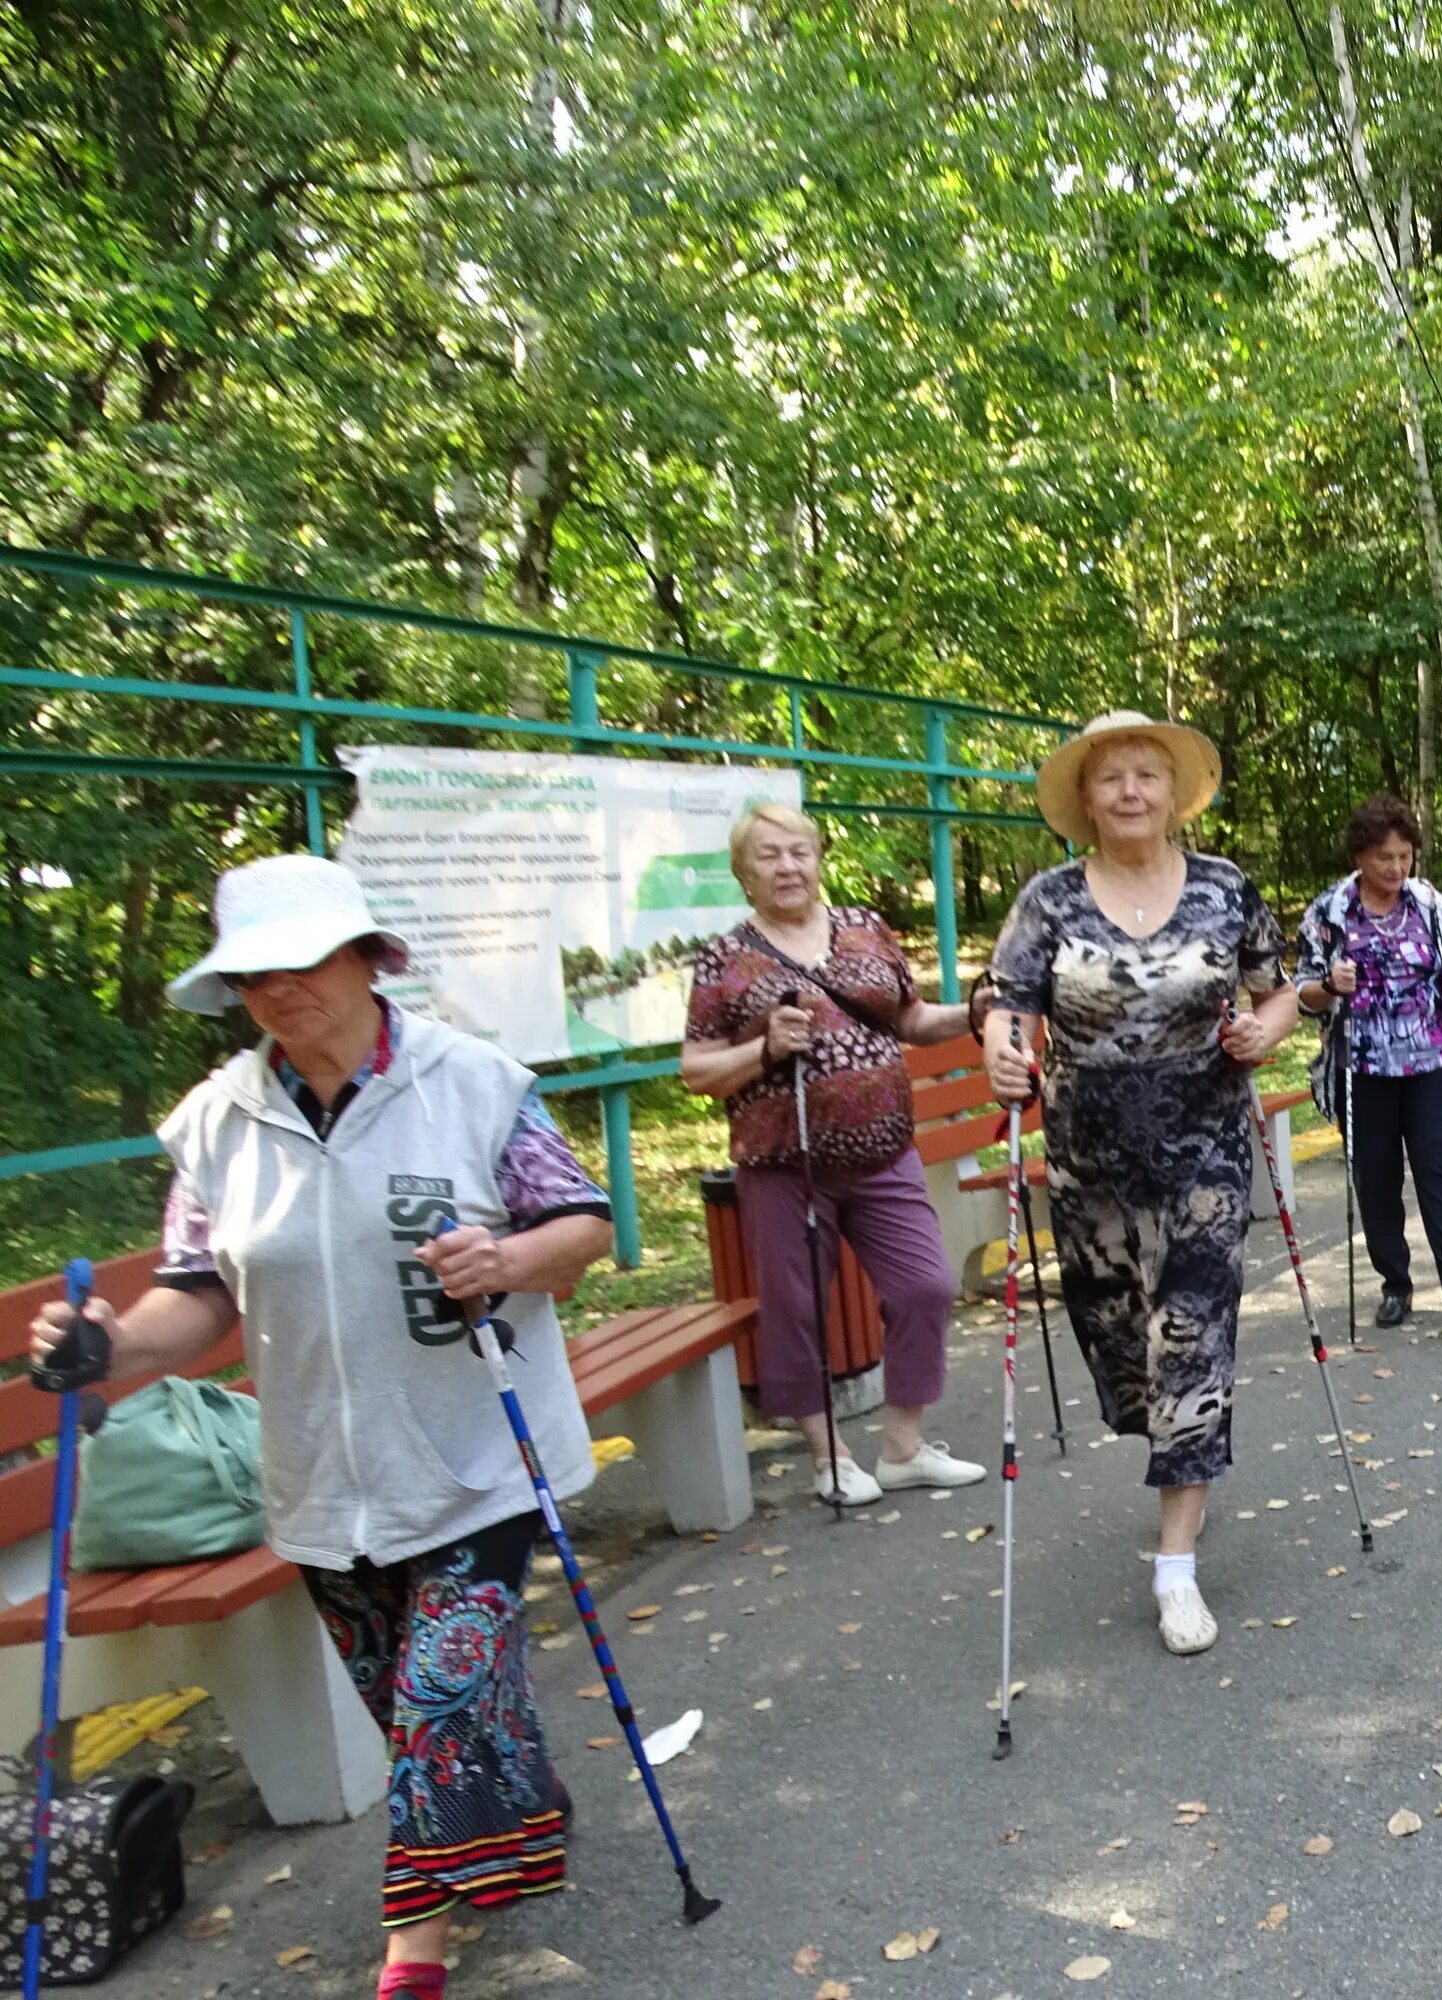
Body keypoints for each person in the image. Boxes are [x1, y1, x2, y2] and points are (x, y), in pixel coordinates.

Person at [24, 854, 614, 2000]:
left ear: (364, 960)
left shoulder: (474, 1080)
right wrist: (112, 1345)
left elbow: (582, 1224)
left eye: (302, 960)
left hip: (478, 1459)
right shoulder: (215, 1123)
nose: (279, 988)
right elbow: (198, 1291)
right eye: (252, 973)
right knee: (412, 1705)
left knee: (441, 1699)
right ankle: (522, 1814)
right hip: (321, 1480)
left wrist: (507, 1258)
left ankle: (411, 1957)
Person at [974, 712, 1300, 1656]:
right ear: (1085, 799)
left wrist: (1266, 1030)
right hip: (1090, 1159)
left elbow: (1275, 988)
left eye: (1146, 775)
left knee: (1191, 1333)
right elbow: (1008, 1009)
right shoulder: (1047, 901)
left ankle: (1176, 1568)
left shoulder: (1226, 889)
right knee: (1125, 1347)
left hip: (1202, 1144)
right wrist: (1004, 1056)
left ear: (1172, 792)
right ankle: (1172, 1450)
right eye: (1110, 777)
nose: (1128, 791)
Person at [682, 801, 984, 1503]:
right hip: (786, 1163)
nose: (787, 867)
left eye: (798, 852)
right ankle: (830, 1460)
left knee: (926, 1288)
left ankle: (903, 1449)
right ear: (743, 873)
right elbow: (696, 1070)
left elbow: (910, 1018)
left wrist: (972, 1012)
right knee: (795, 1308)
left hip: (883, 1151)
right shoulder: (725, 957)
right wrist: (763, 1050)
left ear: (818, 859)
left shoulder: (864, 928)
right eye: (768, 856)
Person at [1292, 796, 1442, 1330]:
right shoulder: (1330, 912)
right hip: (1362, 1067)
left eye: (1405, 857)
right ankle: (1395, 1284)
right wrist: (1328, 985)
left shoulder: (1430, 905)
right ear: (1360, 857)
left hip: (1431, 1058)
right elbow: (1299, 996)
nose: (1396, 869)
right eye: (1384, 858)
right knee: (1377, 1179)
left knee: (1440, 1168)